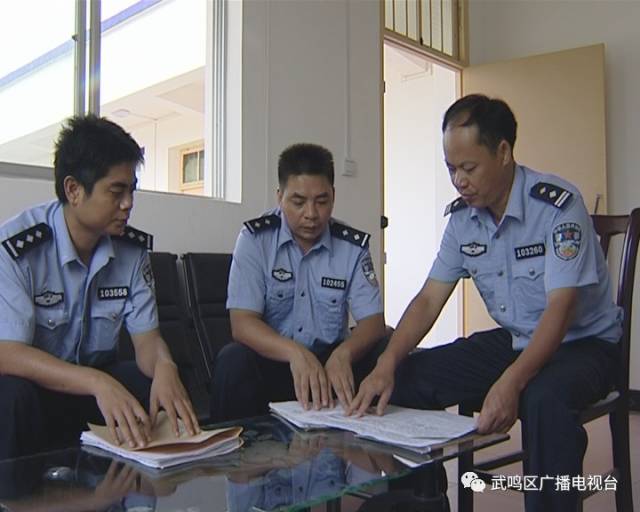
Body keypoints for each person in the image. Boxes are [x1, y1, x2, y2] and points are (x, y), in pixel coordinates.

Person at [348, 94, 622, 511]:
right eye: (451, 169)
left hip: (584, 345)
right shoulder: (463, 220)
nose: (459, 180)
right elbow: (427, 300)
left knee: (541, 398)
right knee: (406, 378)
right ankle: (426, 500)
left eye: (468, 168)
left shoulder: (558, 207)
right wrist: (386, 363)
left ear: (504, 152)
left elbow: (560, 311)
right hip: (518, 340)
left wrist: (511, 381)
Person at [0, 115, 200, 461]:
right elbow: (8, 352)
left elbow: (147, 341)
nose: (128, 204)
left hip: (94, 390)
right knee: (11, 394)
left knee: (154, 381)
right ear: (74, 190)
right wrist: (95, 381)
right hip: (40, 390)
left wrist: (165, 367)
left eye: (131, 191)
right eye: (116, 192)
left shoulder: (132, 252)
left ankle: (145, 487)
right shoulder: (18, 249)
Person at [210, 143, 387, 422]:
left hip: (332, 366)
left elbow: (373, 322)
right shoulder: (255, 239)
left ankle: (401, 448)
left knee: (388, 346)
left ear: (333, 196)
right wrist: (295, 353)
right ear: (280, 197)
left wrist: (344, 354)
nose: (311, 214)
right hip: (276, 362)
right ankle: (234, 460)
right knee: (233, 360)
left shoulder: (351, 247)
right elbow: (242, 323)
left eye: (321, 200)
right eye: (298, 201)